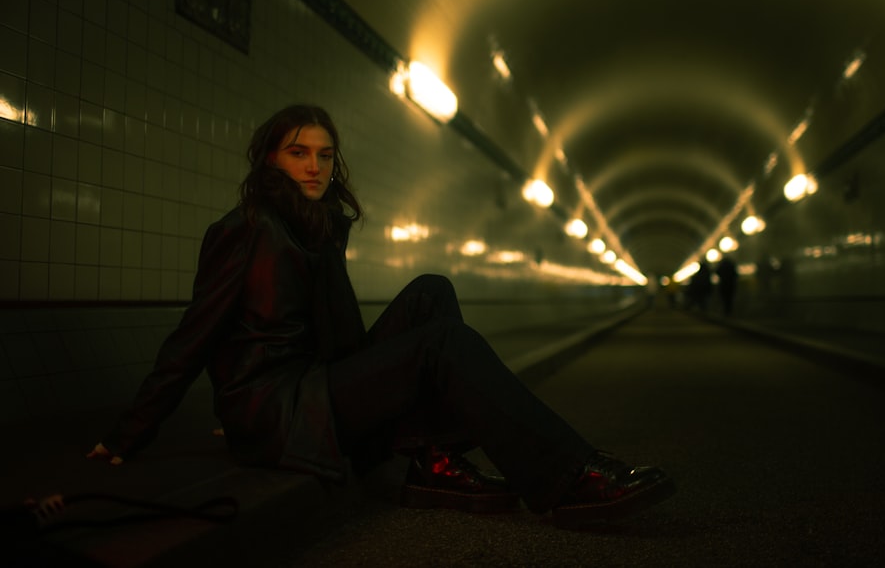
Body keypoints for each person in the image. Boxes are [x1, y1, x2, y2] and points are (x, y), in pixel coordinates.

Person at [88, 104, 674, 527]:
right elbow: (195, 333)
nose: (314, 167)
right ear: (270, 159)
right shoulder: (244, 230)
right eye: (298, 153)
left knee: (430, 293)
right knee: (441, 342)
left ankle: (431, 460)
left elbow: (338, 338)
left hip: (313, 387)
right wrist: (130, 433)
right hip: (277, 408)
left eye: (324, 154)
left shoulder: (314, 229)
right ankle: (569, 476)